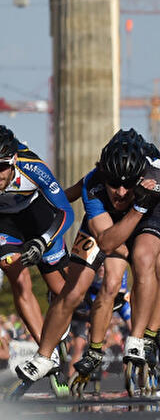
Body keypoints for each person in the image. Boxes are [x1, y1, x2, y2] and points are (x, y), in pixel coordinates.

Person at [13, 115, 160, 388]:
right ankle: (45, 356)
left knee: (148, 260)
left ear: (140, 175)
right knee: (76, 290)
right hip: (116, 223)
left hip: (153, 208)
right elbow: (106, 240)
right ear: (103, 174)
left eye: (128, 185)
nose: (121, 192)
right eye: (114, 184)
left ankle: (138, 338)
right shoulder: (93, 183)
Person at [0, 125, 73, 348]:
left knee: (66, 291)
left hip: (36, 216)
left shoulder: (32, 167)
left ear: (13, 160)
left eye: (1, 167)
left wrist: (43, 241)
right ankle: (46, 351)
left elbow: (66, 212)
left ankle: (56, 305)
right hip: (5, 223)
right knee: (19, 282)